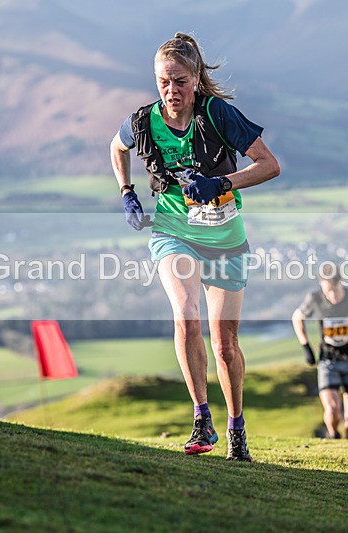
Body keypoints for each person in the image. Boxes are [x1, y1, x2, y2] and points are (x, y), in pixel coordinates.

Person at [109, 33, 280, 461]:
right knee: (186, 315)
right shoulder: (143, 122)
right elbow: (116, 147)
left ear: (196, 78)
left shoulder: (217, 114)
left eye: (180, 82)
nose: (171, 91)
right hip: (174, 231)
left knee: (225, 344)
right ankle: (202, 417)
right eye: (163, 82)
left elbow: (269, 165)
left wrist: (221, 183)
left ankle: (236, 427)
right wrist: (127, 192)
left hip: (225, 238)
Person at [291, 263, 348, 439]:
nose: (331, 295)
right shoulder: (315, 298)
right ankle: (333, 435)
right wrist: (305, 346)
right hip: (328, 361)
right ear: (321, 285)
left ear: (341, 283)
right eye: (327, 290)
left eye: (335, 290)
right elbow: (297, 317)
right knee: (332, 409)